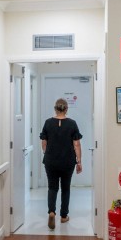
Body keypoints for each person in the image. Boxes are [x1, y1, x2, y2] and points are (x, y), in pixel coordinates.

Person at [40, 98, 82, 230]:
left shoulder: (48, 123)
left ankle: (51, 212)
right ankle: (64, 216)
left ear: (55, 109)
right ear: (66, 109)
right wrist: (79, 161)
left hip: (51, 161)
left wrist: (47, 153)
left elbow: (44, 143)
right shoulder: (72, 123)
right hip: (67, 161)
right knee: (65, 188)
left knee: (52, 188)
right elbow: (76, 144)